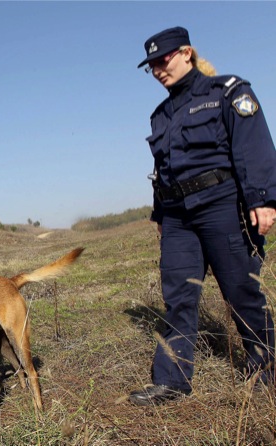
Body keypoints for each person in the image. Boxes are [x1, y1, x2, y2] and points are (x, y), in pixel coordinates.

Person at [130, 26, 276, 406]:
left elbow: (253, 145)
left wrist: (262, 199)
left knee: (241, 290)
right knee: (178, 296)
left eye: (163, 60)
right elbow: (163, 169)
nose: (158, 69)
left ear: (186, 53)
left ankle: (265, 367)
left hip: (222, 205)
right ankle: (172, 381)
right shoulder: (160, 115)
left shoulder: (226, 91)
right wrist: (161, 215)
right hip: (178, 217)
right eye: (152, 66)